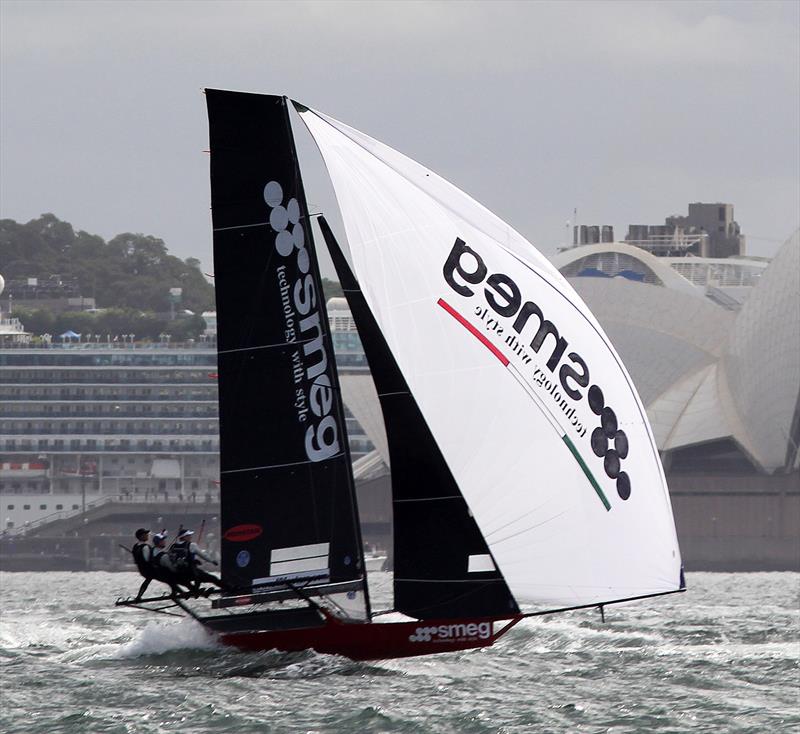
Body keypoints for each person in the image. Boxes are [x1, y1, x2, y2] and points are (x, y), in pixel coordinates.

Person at [150, 532, 193, 596]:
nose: (165, 542)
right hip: (164, 573)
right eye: (163, 541)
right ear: (159, 542)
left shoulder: (153, 550)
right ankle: (192, 591)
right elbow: (171, 568)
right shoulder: (163, 555)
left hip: (158, 573)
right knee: (181, 575)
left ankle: (176, 592)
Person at [131, 528, 154, 601]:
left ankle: (139, 596)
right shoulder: (145, 547)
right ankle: (174, 592)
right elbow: (148, 560)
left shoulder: (135, 546)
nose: (147, 535)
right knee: (169, 574)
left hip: (141, 570)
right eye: (145, 534)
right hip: (148, 570)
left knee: (148, 579)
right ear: (141, 536)